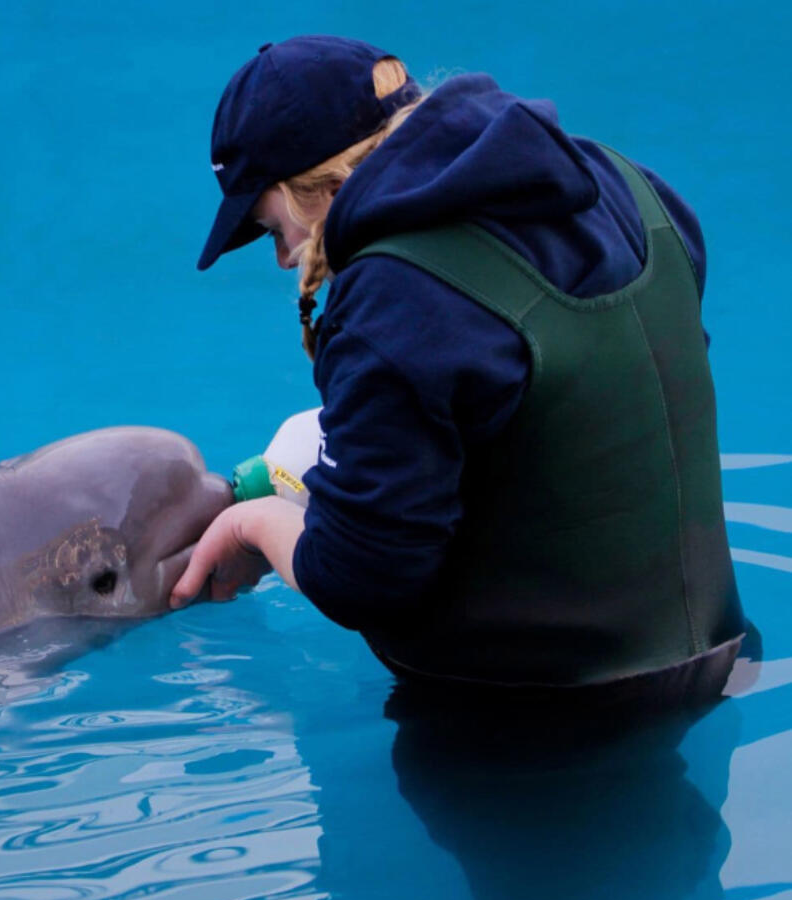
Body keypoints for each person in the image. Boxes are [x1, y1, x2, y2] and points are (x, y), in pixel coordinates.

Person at [170, 35, 745, 707]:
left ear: (314, 188)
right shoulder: (626, 186)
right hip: (717, 654)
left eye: (273, 228)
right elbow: (585, 421)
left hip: (529, 723)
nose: (282, 258)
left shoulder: (392, 294)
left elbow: (363, 576)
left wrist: (255, 524)